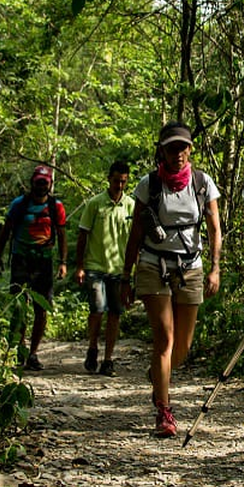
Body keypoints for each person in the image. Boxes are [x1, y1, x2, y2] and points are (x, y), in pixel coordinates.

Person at [120, 123, 222, 437]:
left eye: (183, 147)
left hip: (190, 267)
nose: (178, 154)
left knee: (183, 345)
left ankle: (157, 374)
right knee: (164, 338)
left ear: (190, 149)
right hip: (153, 265)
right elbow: (136, 232)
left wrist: (215, 268)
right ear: (161, 151)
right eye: (171, 148)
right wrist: (126, 276)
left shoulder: (202, 183)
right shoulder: (148, 185)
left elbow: (215, 229)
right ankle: (164, 411)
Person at [0, 163, 68, 371]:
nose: (41, 186)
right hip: (21, 260)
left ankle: (33, 353)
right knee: (20, 307)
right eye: (38, 183)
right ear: (32, 183)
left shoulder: (56, 207)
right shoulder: (19, 204)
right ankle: (20, 349)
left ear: (50, 184)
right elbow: (6, 231)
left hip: (44, 262)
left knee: (41, 309)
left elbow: (62, 235)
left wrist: (63, 263)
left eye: (45, 183)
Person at [74, 160, 135, 376]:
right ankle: (93, 347)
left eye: (123, 182)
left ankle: (108, 359)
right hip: (95, 266)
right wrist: (79, 266)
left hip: (119, 269)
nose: (119, 185)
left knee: (115, 313)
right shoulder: (95, 204)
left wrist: (134, 269)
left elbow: (135, 239)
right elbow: (83, 235)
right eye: (116, 181)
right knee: (98, 309)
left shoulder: (131, 205)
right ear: (109, 179)